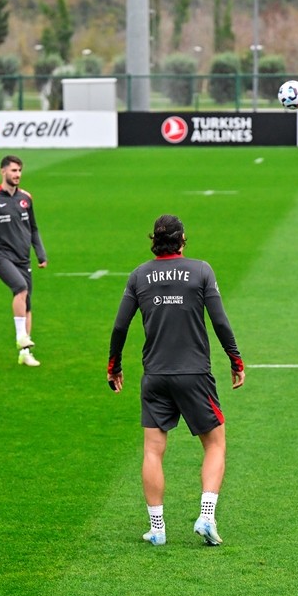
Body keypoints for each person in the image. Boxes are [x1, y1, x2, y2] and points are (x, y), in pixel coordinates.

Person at [107, 215, 245, 547]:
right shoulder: (201, 271)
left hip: (155, 375)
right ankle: (207, 516)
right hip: (194, 373)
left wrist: (114, 366)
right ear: (183, 239)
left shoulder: (139, 275)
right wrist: (235, 359)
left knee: (153, 451)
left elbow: (120, 327)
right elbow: (220, 321)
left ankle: (157, 528)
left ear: (153, 240)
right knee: (215, 443)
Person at [0, 155, 47, 367]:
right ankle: (21, 337)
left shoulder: (26, 198)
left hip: (23, 258)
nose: (18, 175)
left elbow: (33, 228)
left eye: (20, 171)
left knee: (28, 304)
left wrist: (40, 253)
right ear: (2, 172)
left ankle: (25, 353)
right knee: (20, 288)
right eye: (13, 171)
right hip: (0, 256)